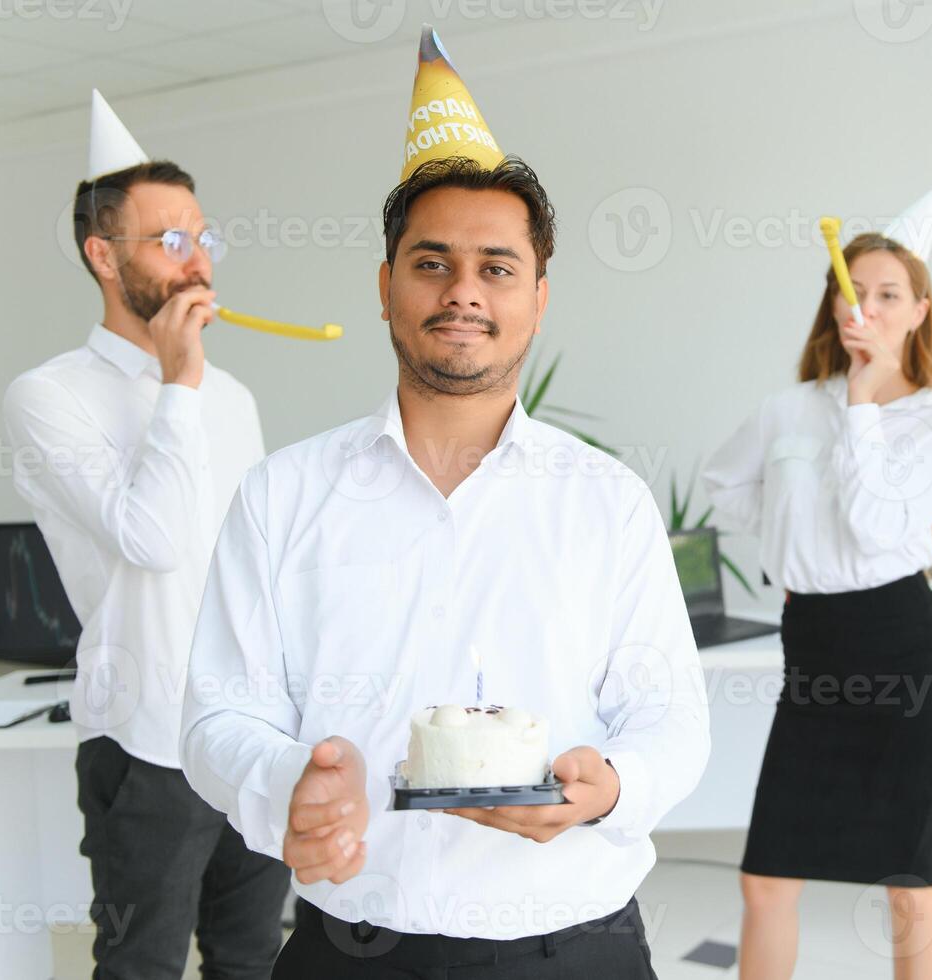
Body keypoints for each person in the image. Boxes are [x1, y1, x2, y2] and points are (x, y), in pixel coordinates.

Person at [178, 27, 708, 979]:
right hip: (352, 951)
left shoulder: (607, 503)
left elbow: (674, 722)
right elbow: (219, 717)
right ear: (385, 288)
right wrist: (290, 784)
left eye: (497, 268)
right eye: (431, 263)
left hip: (573, 950)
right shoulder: (284, 494)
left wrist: (610, 785)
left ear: (538, 299)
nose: (463, 292)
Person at [2, 90, 283, 979]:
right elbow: (152, 539)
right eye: (169, 240)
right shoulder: (48, 396)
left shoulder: (230, 397)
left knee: (250, 958)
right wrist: (177, 384)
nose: (197, 259)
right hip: (146, 742)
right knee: (141, 965)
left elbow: (255, 566)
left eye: (202, 237)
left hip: (248, 732)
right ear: (102, 254)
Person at [703, 181, 932, 980]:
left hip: (904, 657)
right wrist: (789, 547)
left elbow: (876, 530)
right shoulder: (786, 409)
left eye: (892, 293)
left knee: (907, 884)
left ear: (920, 310)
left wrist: (861, 400)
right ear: (833, 302)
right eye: (856, 290)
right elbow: (725, 484)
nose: (872, 306)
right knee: (765, 878)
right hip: (812, 654)